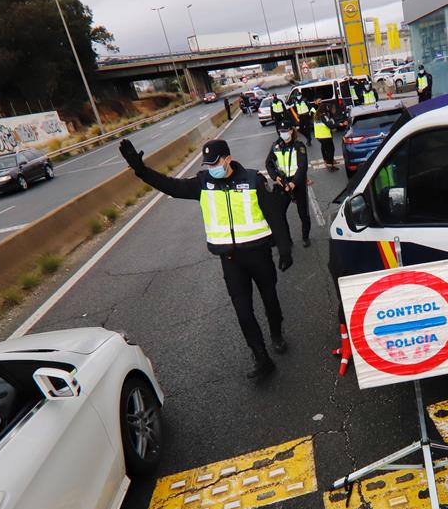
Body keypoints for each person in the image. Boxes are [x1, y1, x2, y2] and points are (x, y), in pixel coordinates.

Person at [118, 138, 293, 381]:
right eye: (208, 164)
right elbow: (171, 186)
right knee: (243, 311)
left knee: (270, 299)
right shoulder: (203, 183)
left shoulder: (254, 180)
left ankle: (276, 334)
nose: (212, 168)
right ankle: (261, 357)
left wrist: (285, 249)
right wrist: (141, 170)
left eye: (215, 163)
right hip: (230, 260)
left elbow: (274, 216)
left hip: (259, 255)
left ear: (228, 160)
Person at [265, 120, 311, 247]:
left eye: (285, 131)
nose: (283, 133)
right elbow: (268, 163)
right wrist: (275, 177)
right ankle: (287, 239)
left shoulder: (299, 146)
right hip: (283, 183)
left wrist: (294, 183)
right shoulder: (276, 146)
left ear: (291, 131)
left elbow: (302, 167)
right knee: (279, 213)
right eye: (281, 131)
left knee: (303, 213)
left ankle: (305, 237)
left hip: (297, 182)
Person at [312, 101, 339, 172]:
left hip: (319, 136)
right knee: (331, 150)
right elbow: (329, 125)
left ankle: (327, 161)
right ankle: (330, 165)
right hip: (325, 136)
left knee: (325, 148)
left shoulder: (316, 115)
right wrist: (339, 124)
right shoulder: (323, 116)